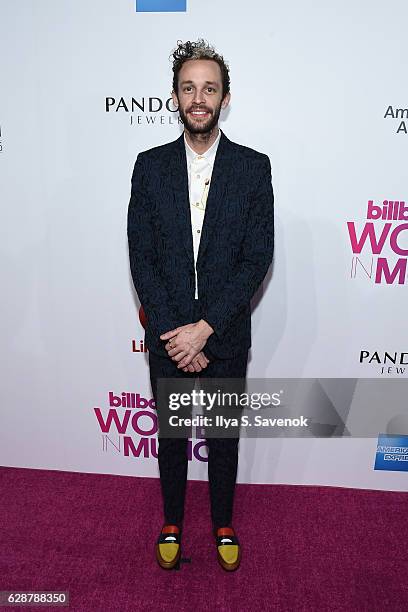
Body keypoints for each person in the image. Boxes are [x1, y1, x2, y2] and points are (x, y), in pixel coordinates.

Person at [127, 38, 274, 571]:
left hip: (226, 334)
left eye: (209, 88)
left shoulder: (254, 169)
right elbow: (141, 257)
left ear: (224, 98)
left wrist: (206, 329)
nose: (198, 98)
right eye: (188, 88)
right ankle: (171, 520)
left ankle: (223, 523)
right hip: (169, 334)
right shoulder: (149, 167)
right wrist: (177, 332)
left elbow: (256, 258)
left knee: (223, 437)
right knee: (170, 435)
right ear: (174, 98)